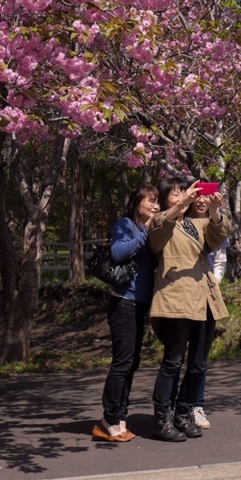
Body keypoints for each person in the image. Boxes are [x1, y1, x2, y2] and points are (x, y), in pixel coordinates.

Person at [148, 176, 230, 442]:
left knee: (198, 363)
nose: (182, 197)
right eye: (174, 194)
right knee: (173, 361)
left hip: (204, 298)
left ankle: (183, 413)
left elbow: (218, 236)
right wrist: (180, 205)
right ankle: (162, 419)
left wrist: (216, 211)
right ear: (164, 200)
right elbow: (157, 235)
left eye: (184, 193)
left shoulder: (197, 223)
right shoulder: (161, 223)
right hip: (176, 299)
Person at [92, 184, 159, 443]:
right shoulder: (125, 224)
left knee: (132, 362)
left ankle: (120, 418)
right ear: (136, 204)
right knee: (122, 363)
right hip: (123, 302)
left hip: (141, 302)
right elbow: (118, 251)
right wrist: (145, 233)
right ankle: (107, 420)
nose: (155, 206)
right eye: (150, 201)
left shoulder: (150, 230)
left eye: (157, 203)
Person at [188, 192, 230, 430]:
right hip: (182, 297)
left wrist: (214, 281)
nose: (202, 201)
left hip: (208, 296)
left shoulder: (217, 223)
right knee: (174, 358)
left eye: (207, 196)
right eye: (198, 196)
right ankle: (175, 405)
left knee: (200, 357)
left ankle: (196, 405)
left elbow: (221, 260)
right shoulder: (179, 223)